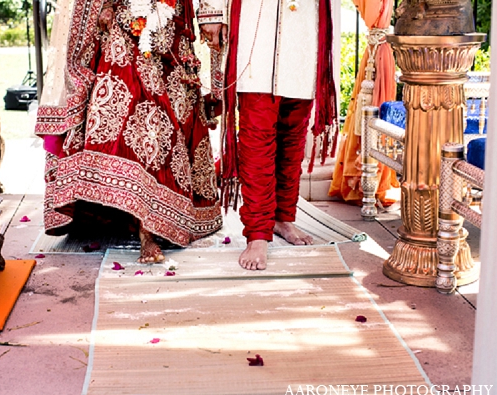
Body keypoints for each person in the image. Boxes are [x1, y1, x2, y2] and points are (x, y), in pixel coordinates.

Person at [36, 0, 223, 263]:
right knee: (133, 112)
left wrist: (210, 14)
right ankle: (143, 226)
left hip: (172, 23)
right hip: (124, 21)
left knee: (170, 115)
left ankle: (150, 222)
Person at [199, 0, 338, 270]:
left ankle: (283, 217)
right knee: (256, 135)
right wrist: (212, 13)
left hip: (305, 28)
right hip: (257, 29)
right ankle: (258, 232)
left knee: (294, 131)